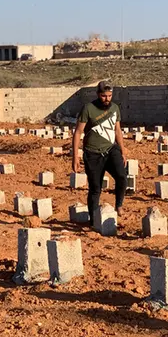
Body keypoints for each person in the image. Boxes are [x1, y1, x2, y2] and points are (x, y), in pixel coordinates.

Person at [72, 81, 128, 228]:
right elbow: (78, 133)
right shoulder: (88, 109)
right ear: (98, 95)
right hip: (92, 154)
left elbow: (117, 130)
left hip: (111, 150)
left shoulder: (115, 108)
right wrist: (75, 157)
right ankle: (93, 219)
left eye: (109, 96)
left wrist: (122, 150)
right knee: (95, 188)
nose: (107, 99)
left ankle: (119, 206)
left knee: (122, 177)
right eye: (104, 96)